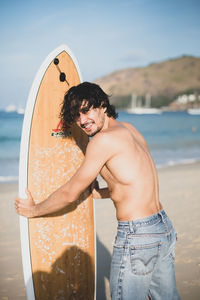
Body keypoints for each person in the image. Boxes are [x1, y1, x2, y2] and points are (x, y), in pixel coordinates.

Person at [15, 82, 180, 300]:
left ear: (102, 105)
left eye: (86, 110)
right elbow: (136, 183)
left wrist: (33, 210)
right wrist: (99, 192)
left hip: (137, 235)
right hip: (162, 228)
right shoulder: (130, 130)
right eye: (76, 115)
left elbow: (69, 193)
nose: (82, 121)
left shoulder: (102, 141)